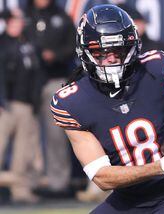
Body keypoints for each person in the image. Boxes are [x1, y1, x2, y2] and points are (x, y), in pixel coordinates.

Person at [50, 5, 164, 213]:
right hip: (127, 198)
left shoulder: (156, 69)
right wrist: (163, 165)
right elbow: (102, 177)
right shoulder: (71, 102)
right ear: (85, 52)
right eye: (101, 52)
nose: (111, 58)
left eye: (118, 50)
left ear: (132, 47)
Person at [24, 0, 76, 197]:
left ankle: (58, 183)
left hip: (54, 79)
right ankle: (30, 182)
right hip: (27, 83)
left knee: (56, 135)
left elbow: (72, 47)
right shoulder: (25, 16)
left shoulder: (61, 18)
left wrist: (55, 55)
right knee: (29, 135)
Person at [0, 8, 43, 204]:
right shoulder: (2, 43)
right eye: (13, 21)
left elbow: (36, 73)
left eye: (19, 21)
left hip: (25, 104)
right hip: (5, 104)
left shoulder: (27, 44)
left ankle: (20, 190)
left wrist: (35, 101)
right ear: (7, 22)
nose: (16, 25)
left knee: (23, 152)